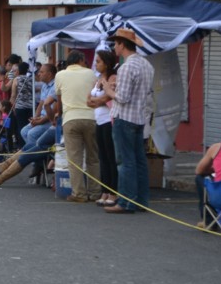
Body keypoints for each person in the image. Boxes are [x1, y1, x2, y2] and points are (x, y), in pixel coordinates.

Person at [103, 28, 155, 214]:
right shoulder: (147, 65)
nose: (114, 48)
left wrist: (108, 89)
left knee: (125, 161)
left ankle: (126, 202)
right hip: (139, 117)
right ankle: (141, 201)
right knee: (139, 161)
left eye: (116, 44)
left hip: (124, 118)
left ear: (122, 45)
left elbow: (122, 98)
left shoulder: (126, 67)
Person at [54, 50, 100, 204]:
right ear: (81, 60)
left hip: (70, 119)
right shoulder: (92, 74)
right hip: (91, 118)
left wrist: (59, 115)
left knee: (75, 159)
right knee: (93, 158)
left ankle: (79, 193)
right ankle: (95, 192)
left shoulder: (60, 75)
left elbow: (59, 99)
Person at [87, 49, 119, 207]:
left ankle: (114, 192)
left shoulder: (113, 78)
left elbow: (105, 98)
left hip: (108, 121)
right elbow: (89, 99)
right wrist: (95, 100)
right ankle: (105, 190)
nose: (96, 64)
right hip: (98, 121)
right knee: (103, 159)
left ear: (107, 63)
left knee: (110, 157)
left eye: (98, 61)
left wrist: (96, 100)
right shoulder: (97, 79)